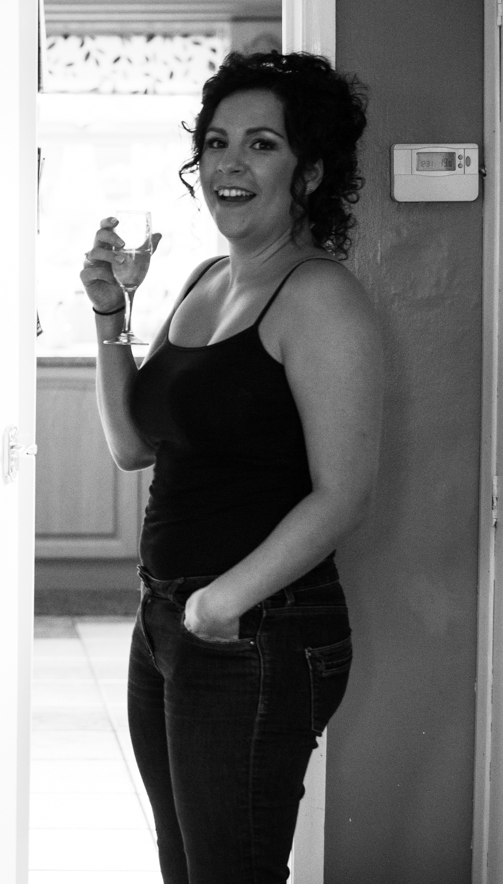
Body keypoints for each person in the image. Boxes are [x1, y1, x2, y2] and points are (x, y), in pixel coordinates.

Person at [79, 50, 381, 883]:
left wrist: (222, 600)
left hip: (258, 631)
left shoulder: (318, 297)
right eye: (215, 143)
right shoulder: (207, 278)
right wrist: (111, 311)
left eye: (261, 144)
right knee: (187, 867)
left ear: (309, 171)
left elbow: (343, 494)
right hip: (167, 622)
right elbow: (132, 443)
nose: (229, 164)